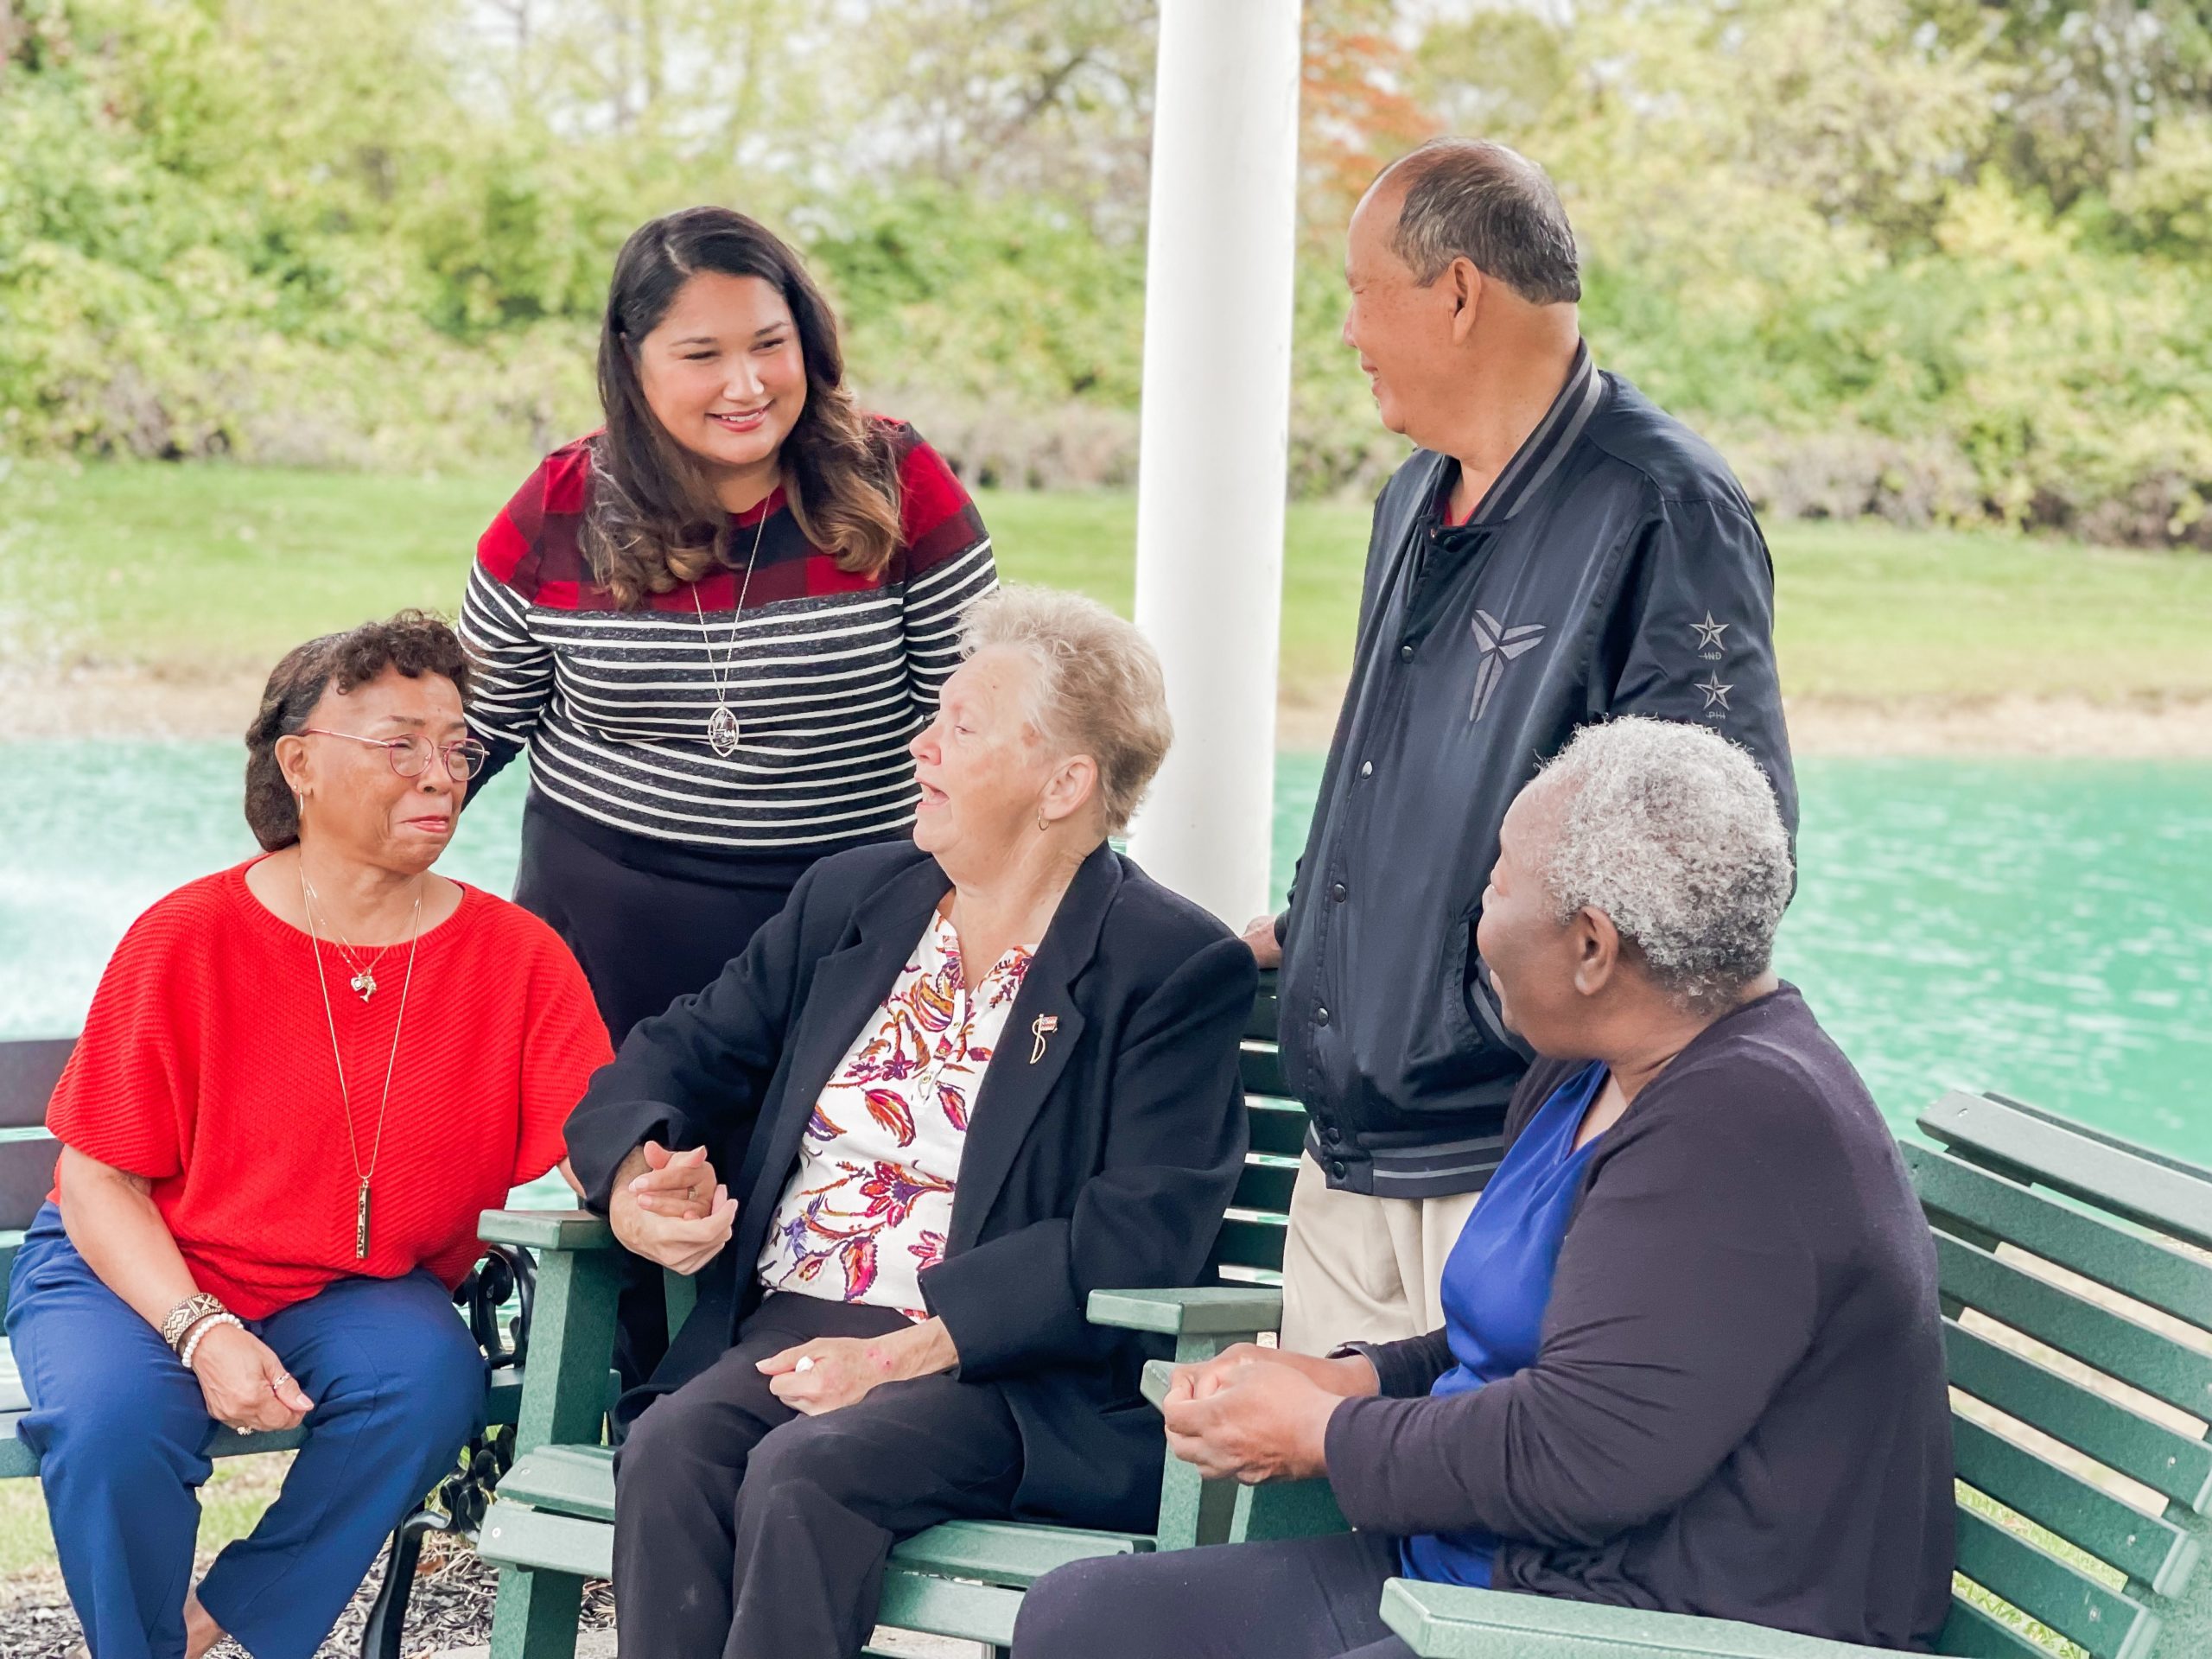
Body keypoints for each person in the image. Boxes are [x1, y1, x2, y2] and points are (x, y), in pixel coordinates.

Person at [1016, 717, 1954, 1659]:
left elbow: (1586, 1450)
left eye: (1498, 883)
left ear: (1592, 947)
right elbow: (1540, 1341)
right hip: (1488, 1571)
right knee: (1081, 1621)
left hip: (1654, 1622)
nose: (1478, 918)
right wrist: (1359, 1375)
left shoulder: (1742, 1130)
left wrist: (1327, 1435)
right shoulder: (1591, 1070)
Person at [562, 588, 1256, 1659]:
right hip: (790, 1325)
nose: (921, 747)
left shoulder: (1166, 965)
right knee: (669, 1450)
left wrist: (899, 1358)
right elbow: (675, 1052)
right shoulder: (858, 896)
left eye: (960, 728)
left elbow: (1139, 1230)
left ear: (1064, 783)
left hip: (995, 1369)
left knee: (807, 1472)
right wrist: (631, 1175)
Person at [1247, 138, 1799, 1355]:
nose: (1347, 332)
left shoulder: (1663, 505)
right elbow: (1389, 778)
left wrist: (1493, 1021)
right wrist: (1310, 928)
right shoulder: (1411, 497)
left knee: (1487, 1535)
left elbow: (1723, 857)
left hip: (1511, 1158)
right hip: (1344, 1160)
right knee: (1334, 1533)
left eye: (1358, 292)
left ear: (1455, 291)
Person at [457, 205, 997, 1381]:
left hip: (842, 926)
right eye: (701, 355)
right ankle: (627, 1476)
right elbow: (471, 730)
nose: (746, 383)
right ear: (634, 363)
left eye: (769, 341)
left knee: (799, 1219)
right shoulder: (558, 510)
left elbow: (983, 720)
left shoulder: (892, 480)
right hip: (607, 922)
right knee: (643, 1200)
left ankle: (745, 1459)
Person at [8, 613, 613, 1659]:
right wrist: (201, 1330)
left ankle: (210, 1625)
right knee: (111, 1429)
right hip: (138, 1264)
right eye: (398, 744)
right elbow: (101, 1181)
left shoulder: (517, 956)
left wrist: (653, 1183)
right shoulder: (187, 937)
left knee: (427, 1383)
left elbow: (597, 1134)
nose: (440, 773)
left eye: (456, 745)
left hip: (350, 1287)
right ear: (300, 764)